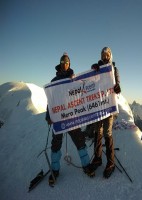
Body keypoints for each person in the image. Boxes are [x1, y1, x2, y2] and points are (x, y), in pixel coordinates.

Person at [45, 52, 94, 185]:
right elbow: (51, 101)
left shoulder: (74, 79)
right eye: (63, 62)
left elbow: (81, 95)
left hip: (72, 117)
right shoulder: (54, 82)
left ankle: (86, 165)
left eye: (67, 62)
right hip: (59, 118)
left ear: (69, 64)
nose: (65, 64)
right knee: (56, 144)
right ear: (60, 64)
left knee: (79, 140)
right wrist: (49, 115)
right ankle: (55, 170)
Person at [89, 47, 121, 178]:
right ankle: (97, 158)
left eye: (107, 54)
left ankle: (111, 163)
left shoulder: (114, 69)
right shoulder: (97, 68)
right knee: (98, 132)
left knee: (107, 133)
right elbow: (91, 83)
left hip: (108, 106)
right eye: (103, 54)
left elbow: (117, 84)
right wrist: (93, 70)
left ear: (110, 56)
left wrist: (117, 87)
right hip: (98, 106)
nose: (105, 56)